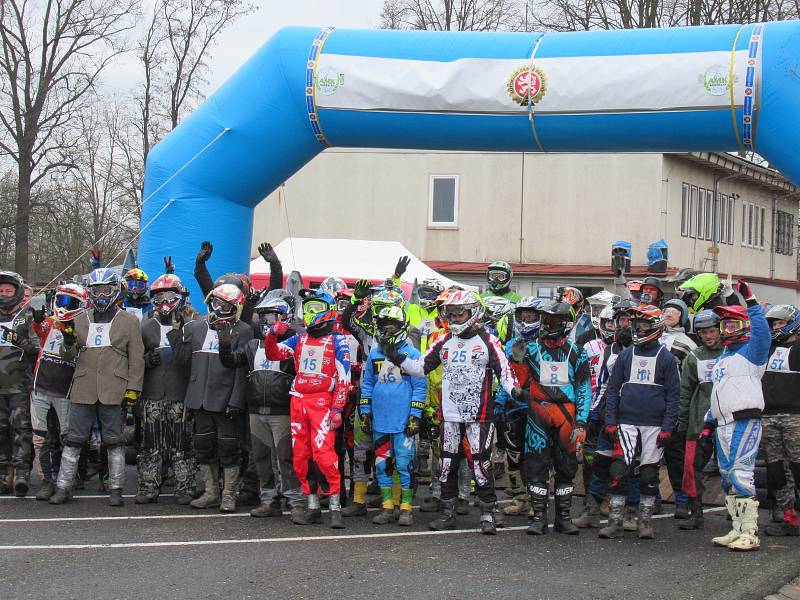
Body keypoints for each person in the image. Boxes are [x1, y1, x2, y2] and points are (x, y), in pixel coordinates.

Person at [385, 290, 518, 535]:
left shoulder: (488, 340)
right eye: (451, 314)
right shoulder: (444, 340)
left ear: (474, 312)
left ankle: (489, 512)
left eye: (460, 313)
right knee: (447, 464)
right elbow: (420, 367)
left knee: (480, 463)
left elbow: (505, 372)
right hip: (449, 415)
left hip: (479, 416)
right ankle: (447, 512)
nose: (455, 318)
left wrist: (516, 391)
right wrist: (396, 356)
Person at [49, 268, 144, 506]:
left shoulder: (129, 321)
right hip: (84, 387)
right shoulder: (80, 318)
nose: (101, 295)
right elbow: (68, 356)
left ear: (114, 291)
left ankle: (116, 488)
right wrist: (68, 341)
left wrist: (133, 389)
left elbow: (137, 359)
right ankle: (63, 487)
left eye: (105, 290)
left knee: (114, 441)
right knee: (73, 439)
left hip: (114, 388)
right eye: (97, 290)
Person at [263, 289, 351, 528]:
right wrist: (272, 334)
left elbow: (344, 377)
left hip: (323, 403)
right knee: (301, 457)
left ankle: (334, 506)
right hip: (298, 401)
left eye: (316, 309)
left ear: (328, 311)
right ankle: (312, 505)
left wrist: (337, 409)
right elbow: (273, 353)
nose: (311, 313)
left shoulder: (337, 339)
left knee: (324, 455)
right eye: (308, 308)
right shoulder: (299, 338)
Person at [218, 294, 304, 521]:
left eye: (272, 316)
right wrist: (225, 346)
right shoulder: (253, 345)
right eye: (262, 316)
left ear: (286, 316)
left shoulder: (294, 343)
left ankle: (295, 502)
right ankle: (269, 501)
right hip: (256, 410)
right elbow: (231, 361)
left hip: (283, 410)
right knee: (262, 459)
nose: (266, 321)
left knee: (286, 459)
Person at [601, 305, 680, 540]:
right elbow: (613, 390)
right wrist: (610, 420)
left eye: (644, 325)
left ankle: (644, 522)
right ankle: (615, 521)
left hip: (654, 424)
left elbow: (674, 395)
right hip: (626, 421)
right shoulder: (627, 355)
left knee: (648, 475)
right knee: (618, 470)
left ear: (655, 327)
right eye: (636, 325)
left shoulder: (666, 357)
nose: (639, 329)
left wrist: (668, 426)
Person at [512, 300, 591, 535]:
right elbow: (517, 382)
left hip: (567, 414)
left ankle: (563, 518)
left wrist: (582, 421)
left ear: (565, 324)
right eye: (546, 320)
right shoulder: (531, 348)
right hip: (538, 413)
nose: (548, 325)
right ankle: (538, 517)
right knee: (536, 465)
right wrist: (516, 362)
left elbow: (584, 388)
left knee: (566, 467)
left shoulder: (577, 351)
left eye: (554, 321)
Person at [172, 283, 253, 512]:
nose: (218, 308)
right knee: (203, 446)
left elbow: (241, 368)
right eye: (215, 303)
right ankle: (210, 491)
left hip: (225, 399)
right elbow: (185, 362)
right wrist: (176, 333)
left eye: (224, 304)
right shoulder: (197, 327)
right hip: (199, 397)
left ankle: (229, 495)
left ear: (235, 307)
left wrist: (236, 400)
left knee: (229, 448)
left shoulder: (243, 330)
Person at [705, 280, 769, 551]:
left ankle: (750, 532)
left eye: (731, 324)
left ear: (743, 327)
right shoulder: (723, 357)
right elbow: (718, 391)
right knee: (727, 476)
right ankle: (736, 528)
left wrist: (749, 300)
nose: (725, 329)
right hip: (722, 423)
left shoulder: (752, 352)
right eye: (723, 325)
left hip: (745, 419)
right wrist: (708, 421)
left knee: (742, 474)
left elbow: (763, 333)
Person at [359, 306, 426, 526]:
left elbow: (419, 387)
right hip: (380, 421)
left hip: (403, 421)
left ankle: (406, 507)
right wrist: (365, 412)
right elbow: (367, 384)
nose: (387, 330)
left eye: (392, 326)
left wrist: (415, 415)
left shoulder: (413, 354)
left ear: (401, 327)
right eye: (384, 326)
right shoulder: (375, 354)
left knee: (404, 464)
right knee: (382, 464)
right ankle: (387, 506)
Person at [135, 274, 195, 505]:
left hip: (179, 394)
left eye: (169, 297)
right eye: (159, 297)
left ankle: (185, 487)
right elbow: (135, 358)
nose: (164, 302)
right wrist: (145, 360)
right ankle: (148, 486)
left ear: (179, 297)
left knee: (182, 444)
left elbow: (191, 360)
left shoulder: (189, 326)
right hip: (153, 393)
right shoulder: (146, 326)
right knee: (150, 444)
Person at [29, 284, 88, 500]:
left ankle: (66, 481)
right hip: (40, 387)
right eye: (62, 301)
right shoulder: (49, 323)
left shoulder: (83, 326)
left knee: (67, 438)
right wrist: (36, 320)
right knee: (40, 437)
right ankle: (46, 481)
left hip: (65, 391)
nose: (64, 307)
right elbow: (38, 330)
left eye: (70, 303)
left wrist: (71, 339)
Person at [496, 296, 543, 517]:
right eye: (522, 315)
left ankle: (537, 500)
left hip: (539, 408)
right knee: (513, 454)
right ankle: (519, 497)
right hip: (513, 407)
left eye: (531, 315)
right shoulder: (509, 345)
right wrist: (498, 403)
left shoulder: (545, 346)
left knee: (537, 456)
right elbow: (504, 376)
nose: (526, 319)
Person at [677, 310, 724, 530]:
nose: (708, 336)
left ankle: (737, 513)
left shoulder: (733, 353)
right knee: (692, 468)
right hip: (698, 421)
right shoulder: (694, 357)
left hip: (728, 421)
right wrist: (683, 422)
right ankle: (696, 514)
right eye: (704, 332)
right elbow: (685, 391)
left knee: (732, 468)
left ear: (720, 329)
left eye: (712, 331)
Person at [760, 304, 800, 537]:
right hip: (769, 416)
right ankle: (788, 516)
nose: (776, 327)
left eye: (780, 323)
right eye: (773, 324)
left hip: (795, 416)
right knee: (776, 469)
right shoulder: (768, 349)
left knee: (797, 466)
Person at [0, 270, 38, 496]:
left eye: (8, 291)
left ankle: (22, 472)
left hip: (20, 386)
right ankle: (4, 474)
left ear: (17, 292)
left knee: (21, 430)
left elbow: (37, 349)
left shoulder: (28, 317)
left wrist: (18, 340)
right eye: (1, 291)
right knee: (1, 431)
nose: (4, 295)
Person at [660, 297, 697, 519]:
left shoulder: (687, 343)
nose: (669, 314)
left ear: (682, 316)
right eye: (665, 310)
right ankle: (651, 498)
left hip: (673, 407)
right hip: (650, 405)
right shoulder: (650, 337)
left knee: (675, 456)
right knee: (647, 455)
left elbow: (690, 378)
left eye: (674, 311)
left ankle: (682, 500)